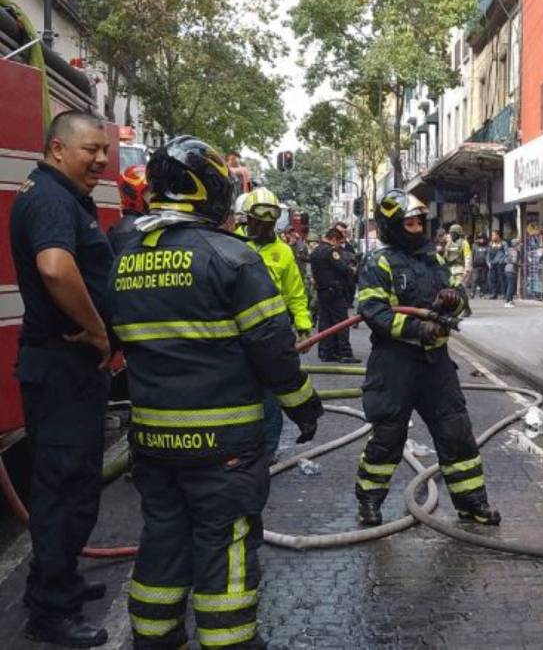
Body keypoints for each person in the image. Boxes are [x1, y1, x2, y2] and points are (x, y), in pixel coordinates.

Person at [107, 136, 322, 650]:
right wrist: (305, 407)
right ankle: (229, 643)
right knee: (224, 543)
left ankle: (155, 639)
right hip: (222, 444)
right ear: (213, 191)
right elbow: (274, 352)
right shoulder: (233, 258)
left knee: (161, 536)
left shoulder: (121, 251)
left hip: (154, 440)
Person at [10, 112, 113, 648]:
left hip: (63, 367)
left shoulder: (57, 192)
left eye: (105, 151)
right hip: (63, 366)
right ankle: (51, 612)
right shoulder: (50, 198)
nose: (101, 160)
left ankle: (61, 580)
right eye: (91, 150)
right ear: (56, 149)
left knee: (70, 486)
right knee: (65, 491)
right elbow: (55, 267)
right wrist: (97, 330)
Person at [354, 190, 500, 527]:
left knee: (457, 434)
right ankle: (369, 501)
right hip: (394, 366)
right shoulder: (379, 263)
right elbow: (374, 312)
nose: (417, 227)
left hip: (436, 367)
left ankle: (472, 503)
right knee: (388, 439)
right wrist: (418, 330)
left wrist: (453, 298)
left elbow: (458, 299)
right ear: (393, 226)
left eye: (420, 221)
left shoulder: (432, 260)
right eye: (409, 222)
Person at [241, 187, 314, 458]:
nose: (262, 227)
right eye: (257, 221)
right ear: (246, 219)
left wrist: (304, 326)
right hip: (238, 332)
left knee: (272, 393)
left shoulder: (283, 252)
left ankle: (268, 450)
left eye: (268, 223)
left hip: (273, 332)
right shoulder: (232, 243)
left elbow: (296, 293)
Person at [311, 227, 359, 362]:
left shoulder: (315, 251)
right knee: (342, 322)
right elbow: (343, 268)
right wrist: (352, 269)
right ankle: (344, 353)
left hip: (322, 291)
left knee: (326, 322)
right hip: (334, 291)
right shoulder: (330, 251)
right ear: (333, 239)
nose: (339, 246)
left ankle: (326, 352)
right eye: (339, 242)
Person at [108, 164, 149, 254]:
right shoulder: (129, 232)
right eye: (149, 193)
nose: (155, 198)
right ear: (132, 194)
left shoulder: (140, 223)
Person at [486, 230, 506, 299]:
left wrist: (502, 260)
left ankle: (504, 293)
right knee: (492, 279)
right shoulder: (491, 244)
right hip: (492, 263)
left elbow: (507, 253)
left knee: (501, 278)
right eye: (492, 235)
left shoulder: (503, 243)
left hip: (500, 263)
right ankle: (494, 294)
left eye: (493, 235)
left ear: (498, 235)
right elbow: (488, 253)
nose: (492, 237)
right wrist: (488, 261)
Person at [503, 237, 521, 307]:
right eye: (519, 244)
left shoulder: (509, 250)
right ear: (516, 244)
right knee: (511, 286)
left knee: (510, 285)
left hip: (507, 269)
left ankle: (510, 300)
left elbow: (505, 260)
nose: (520, 245)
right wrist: (520, 265)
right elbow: (514, 261)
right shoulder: (515, 251)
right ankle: (507, 301)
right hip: (512, 270)